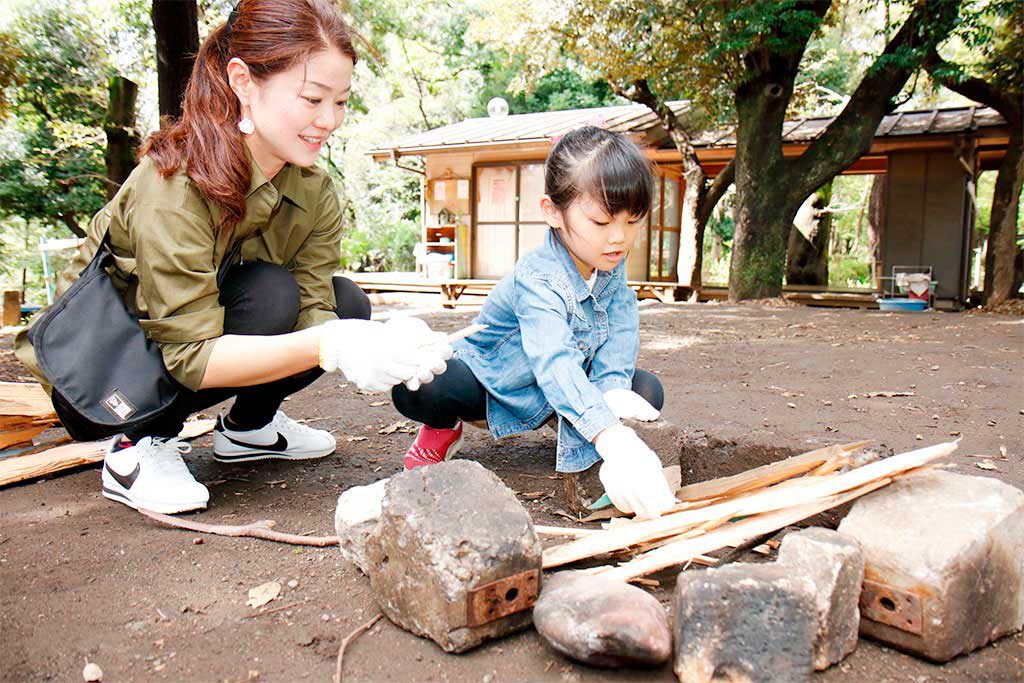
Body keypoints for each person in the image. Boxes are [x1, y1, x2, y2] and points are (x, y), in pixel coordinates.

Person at [14, 0, 451, 515]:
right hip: (98, 372)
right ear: (243, 81)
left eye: (340, 101)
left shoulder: (313, 190)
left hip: (189, 344)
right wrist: (331, 345)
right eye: (312, 98)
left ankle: (248, 429)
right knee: (272, 295)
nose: (329, 120)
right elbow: (191, 353)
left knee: (346, 303)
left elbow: (315, 307)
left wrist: (371, 344)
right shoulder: (174, 183)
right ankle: (139, 444)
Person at [392, 126, 676, 520]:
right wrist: (611, 436)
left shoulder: (610, 261)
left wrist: (612, 390)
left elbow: (621, 329)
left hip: (562, 380)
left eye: (633, 221)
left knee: (644, 390)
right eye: (601, 222)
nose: (619, 238)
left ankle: (575, 418)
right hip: (497, 381)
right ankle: (443, 426)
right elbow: (553, 360)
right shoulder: (538, 277)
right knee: (422, 385)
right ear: (552, 211)